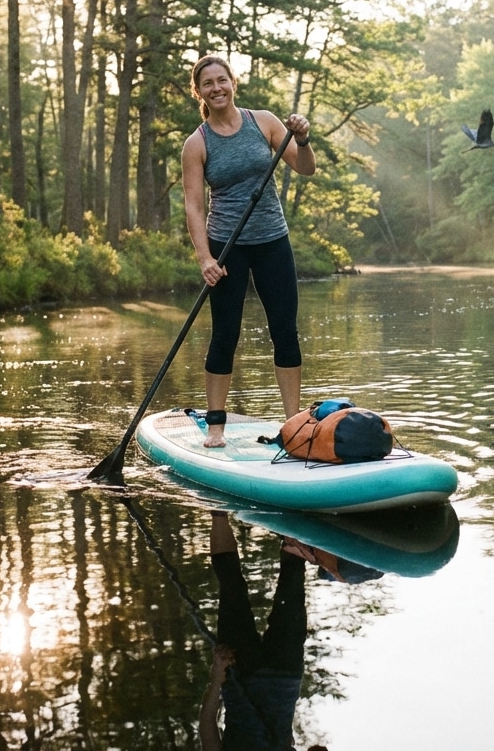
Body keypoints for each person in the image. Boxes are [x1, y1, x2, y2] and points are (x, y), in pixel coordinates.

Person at [182, 54, 316, 447]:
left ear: (232, 83)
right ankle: (216, 426)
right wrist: (205, 257)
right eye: (208, 83)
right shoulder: (197, 143)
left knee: (285, 332)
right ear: (200, 91)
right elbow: (193, 205)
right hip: (227, 246)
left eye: (222, 80)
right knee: (225, 335)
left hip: (273, 240)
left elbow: (305, 167)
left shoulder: (265, 122)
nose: (216, 88)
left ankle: (292, 423)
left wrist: (303, 139)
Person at [199, 511, 331, 751]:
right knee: (292, 577)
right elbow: (317, 750)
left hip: (239, 672)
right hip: (284, 678)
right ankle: (290, 504)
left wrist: (217, 676)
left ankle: (218, 510)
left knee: (231, 587)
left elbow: (207, 722)